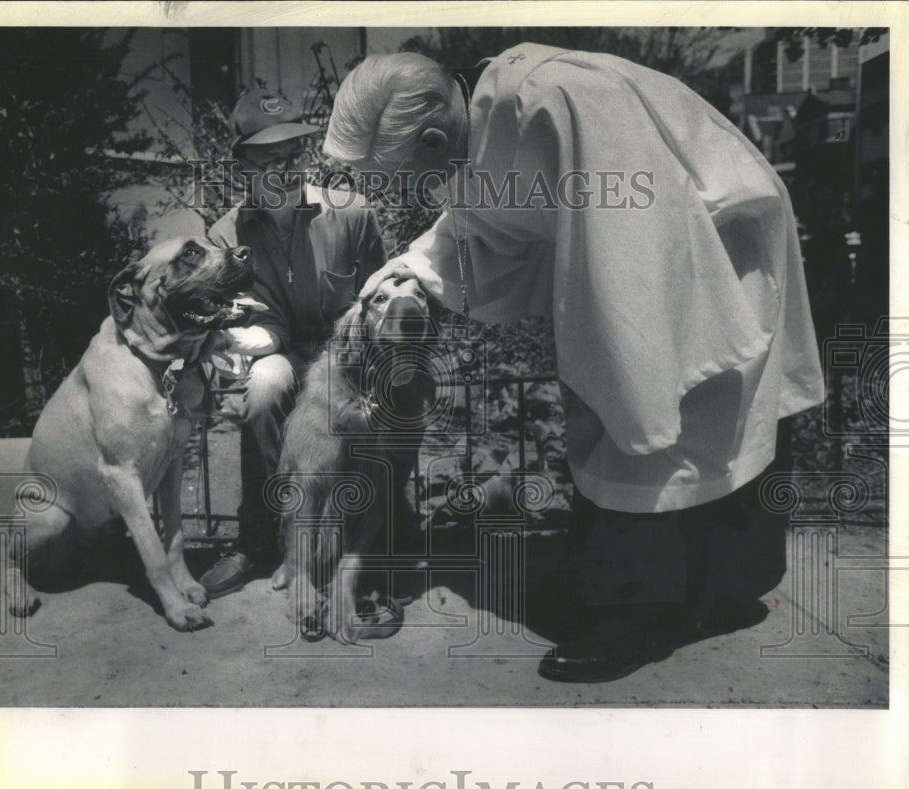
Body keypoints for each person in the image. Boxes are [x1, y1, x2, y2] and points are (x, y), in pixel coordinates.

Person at [323, 45, 825, 681]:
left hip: (700, 248)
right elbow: (483, 224)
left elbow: (631, 240)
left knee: (653, 418)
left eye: (400, 176)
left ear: (429, 137)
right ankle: (701, 595)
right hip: (629, 253)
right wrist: (411, 270)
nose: (404, 191)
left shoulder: (554, 102)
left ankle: (634, 618)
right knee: (640, 419)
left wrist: (623, 369)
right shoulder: (471, 122)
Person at [199, 89, 387, 598]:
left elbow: (380, 303)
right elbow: (242, 321)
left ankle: (359, 543)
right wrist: (235, 343)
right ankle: (266, 540)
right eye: (269, 160)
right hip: (278, 351)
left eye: (292, 156)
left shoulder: (351, 214)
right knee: (263, 391)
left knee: (374, 407)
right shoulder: (226, 236)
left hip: (348, 355)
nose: (284, 170)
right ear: (243, 166)